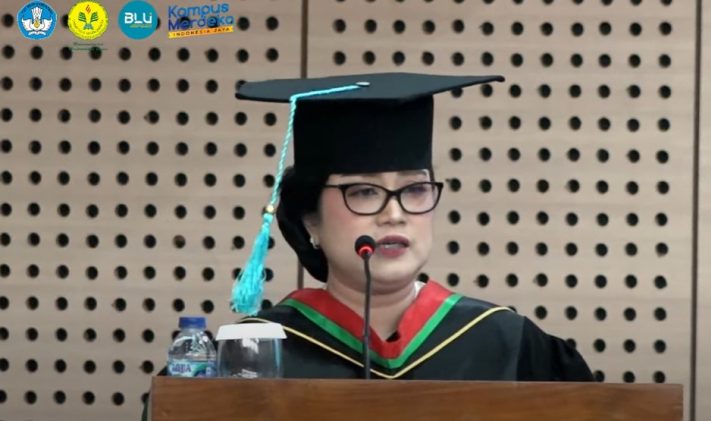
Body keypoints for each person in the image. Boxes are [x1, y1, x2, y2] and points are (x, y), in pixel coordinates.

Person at [143, 72, 592, 418]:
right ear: (310, 218)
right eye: (363, 192)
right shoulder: (247, 355)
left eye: (415, 189)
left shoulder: (509, 343)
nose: (394, 214)